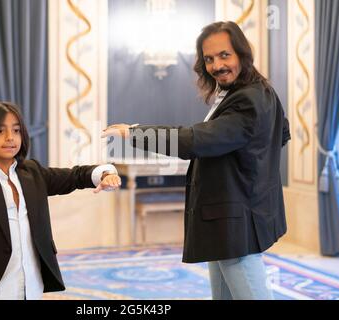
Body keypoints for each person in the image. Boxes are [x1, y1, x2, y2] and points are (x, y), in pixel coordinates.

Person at [102, 21, 291, 300]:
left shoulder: (249, 98)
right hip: (228, 218)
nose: (217, 66)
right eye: (209, 59)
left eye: (224, 55)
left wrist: (134, 134)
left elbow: (196, 140)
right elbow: (281, 133)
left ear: (242, 53)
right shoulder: (255, 92)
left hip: (236, 221)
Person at [0, 100, 121, 300]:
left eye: (16, 130)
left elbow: (75, 176)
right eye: (0, 131)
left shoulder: (33, 173)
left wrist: (105, 173)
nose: (10, 138)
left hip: (32, 279)